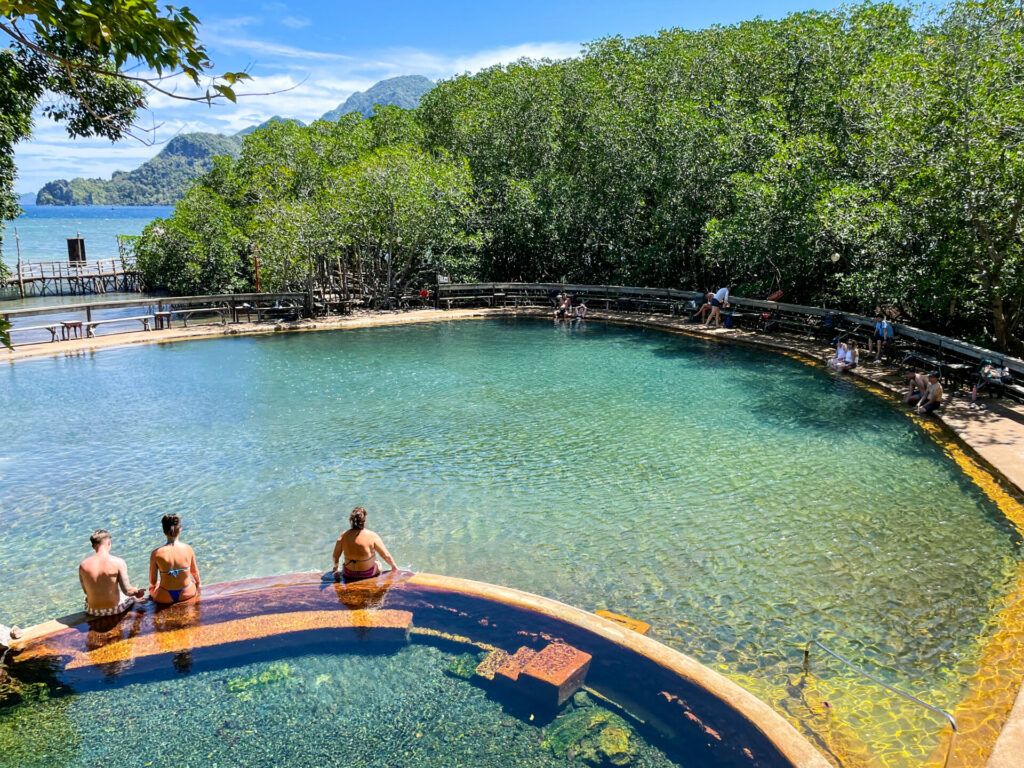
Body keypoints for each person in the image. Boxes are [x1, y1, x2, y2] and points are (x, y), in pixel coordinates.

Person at [79, 529, 146, 617]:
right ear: (109, 543)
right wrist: (137, 592)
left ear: (93, 546)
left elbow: (86, 591)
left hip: (92, 611)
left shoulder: (83, 565)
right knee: (132, 597)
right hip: (115, 610)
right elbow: (127, 591)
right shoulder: (118, 562)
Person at [332, 506, 398, 581]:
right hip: (368, 573)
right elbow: (385, 555)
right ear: (364, 520)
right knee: (378, 563)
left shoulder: (343, 535)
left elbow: (335, 556)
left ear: (351, 520)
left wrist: (335, 568)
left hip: (348, 573)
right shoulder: (372, 535)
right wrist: (394, 567)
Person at [149, 514, 201, 604]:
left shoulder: (156, 554)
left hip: (164, 596)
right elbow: (195, 574)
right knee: (192, 583)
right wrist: (198, 583)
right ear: (180, 530)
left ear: (164, 532)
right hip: (187, 592)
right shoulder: (188, 549)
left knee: (151, 588)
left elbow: (153, 581)